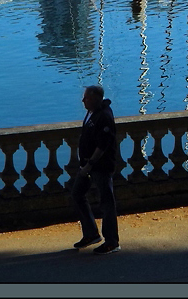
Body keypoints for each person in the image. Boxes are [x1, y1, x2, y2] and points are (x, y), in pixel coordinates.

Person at [70, 84, 119, 254]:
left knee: (106, 203)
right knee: (77, 194)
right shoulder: (92, 112)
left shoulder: (104, 116)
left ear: (96, 99)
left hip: (99, 166)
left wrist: (90, 164)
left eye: (87, 98)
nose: (83, 100)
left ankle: (112, 241)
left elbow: (103, 145)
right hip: (87, 165)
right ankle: (91, 234)